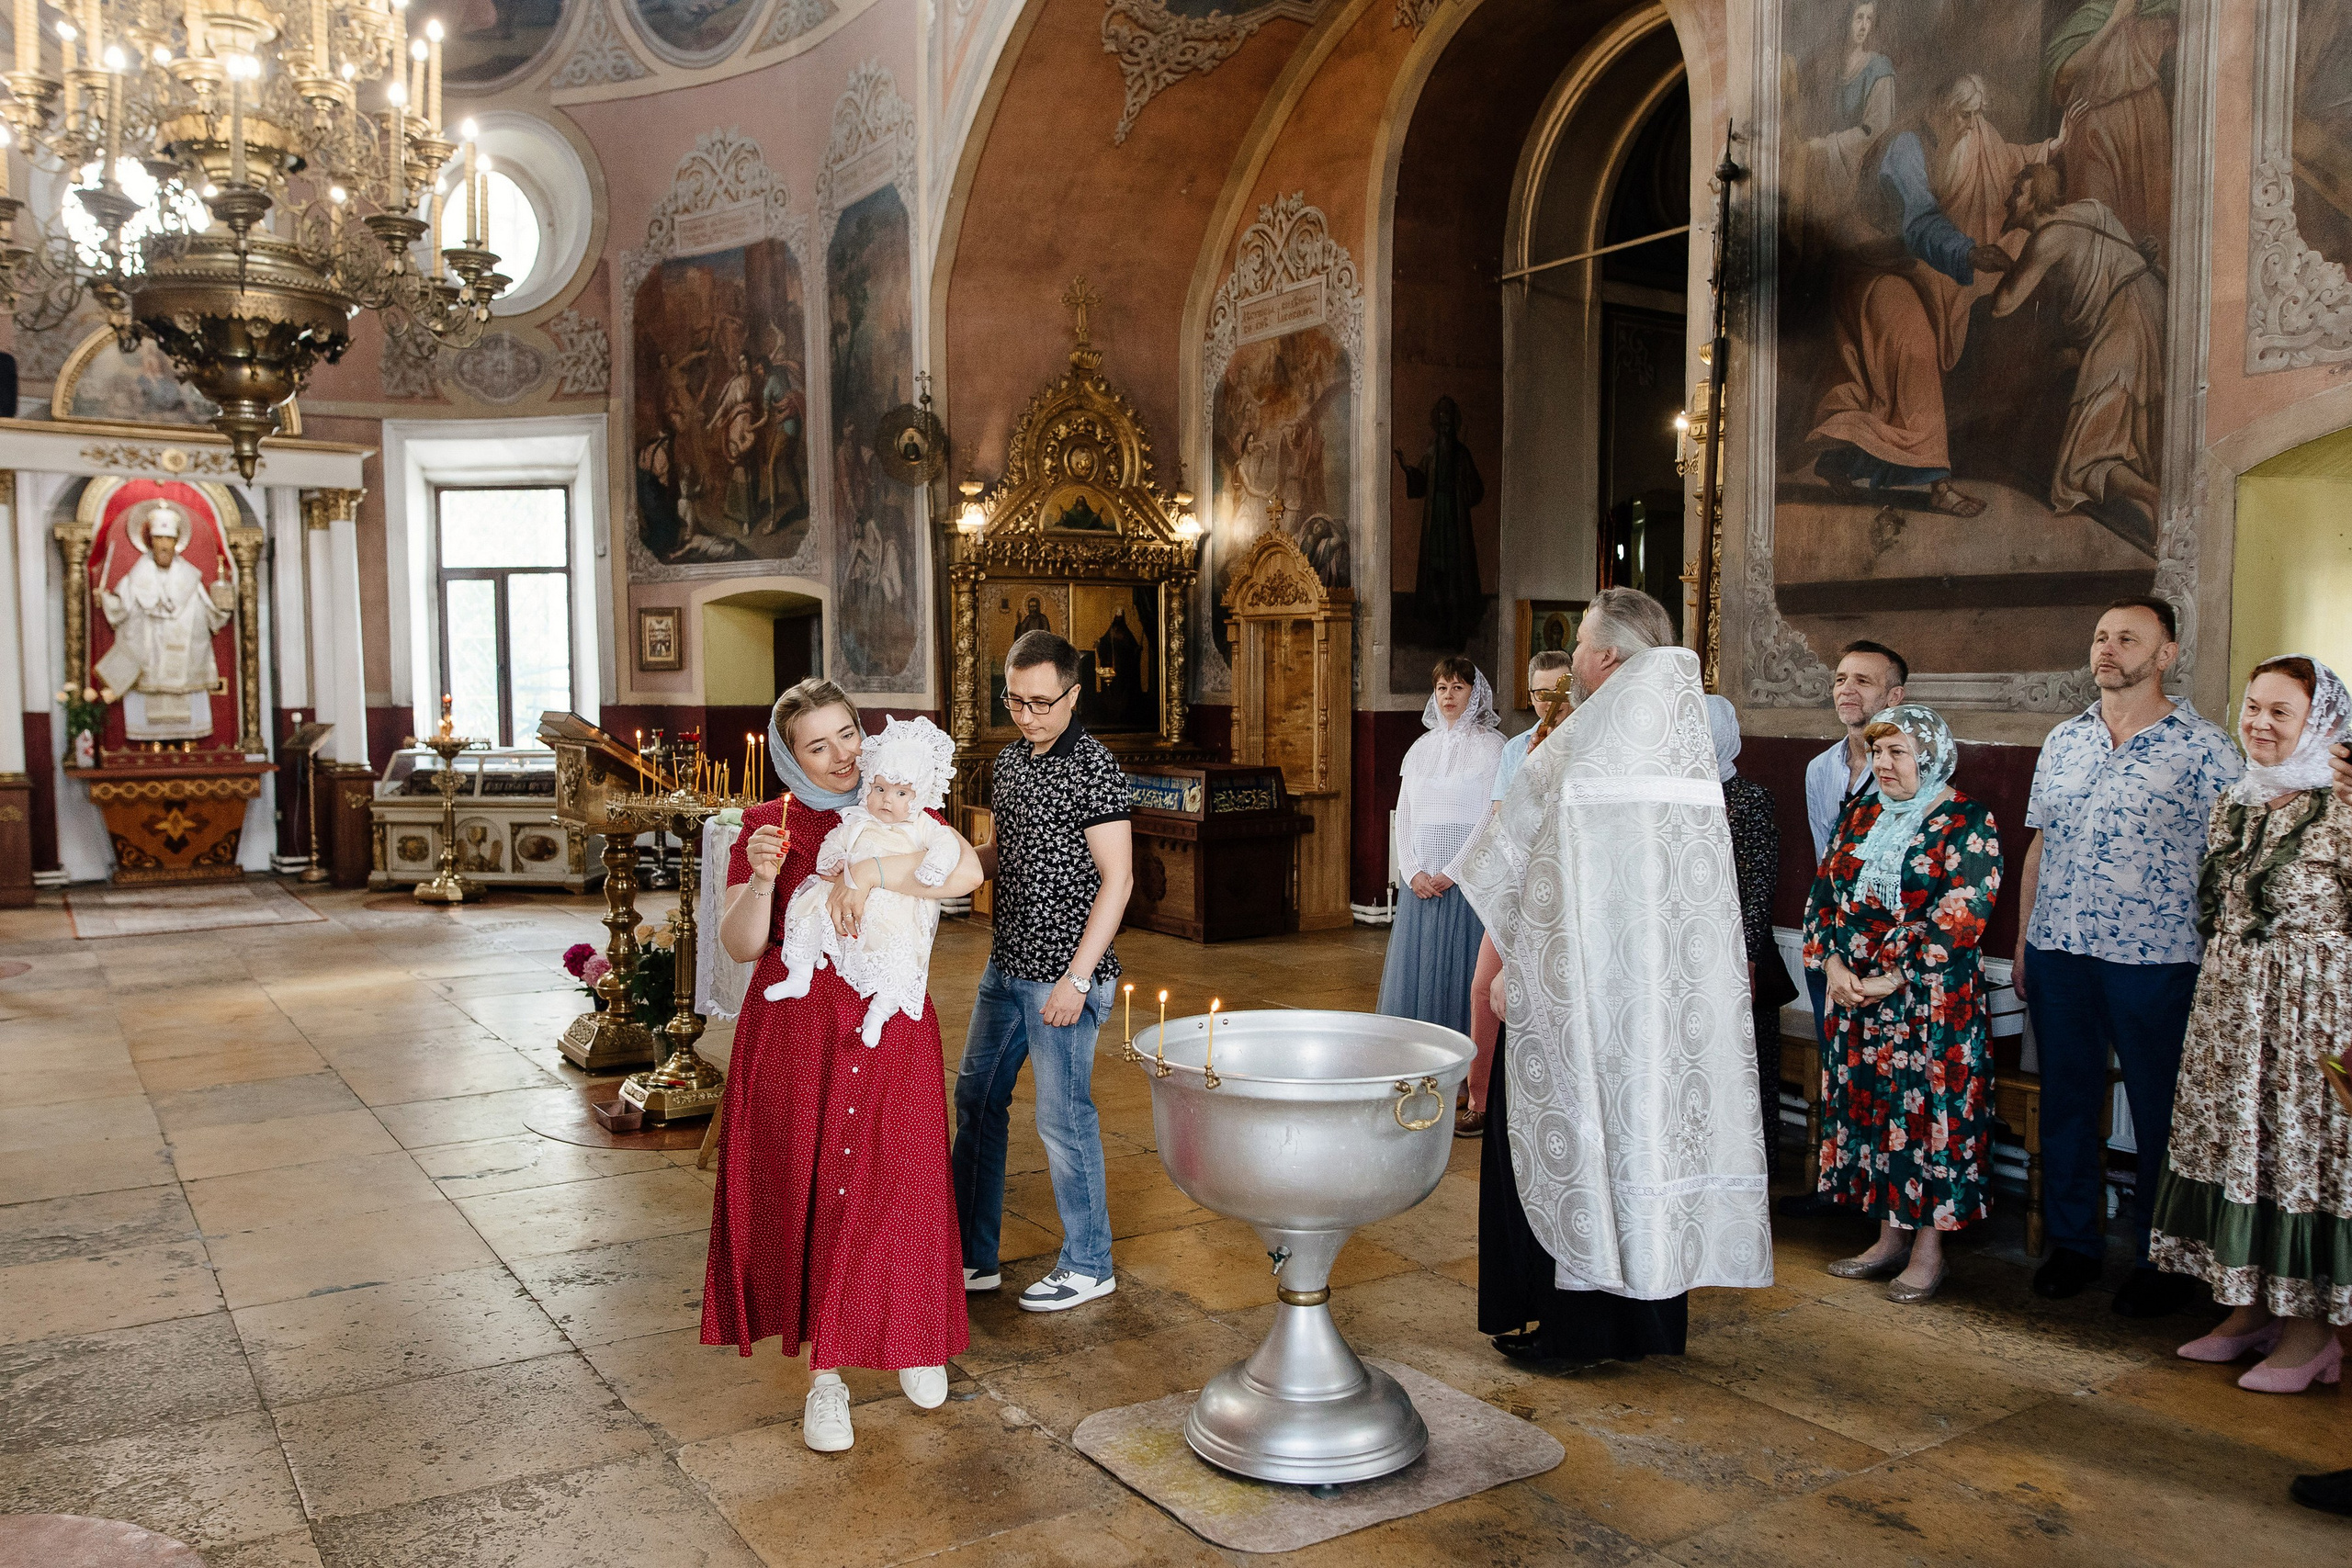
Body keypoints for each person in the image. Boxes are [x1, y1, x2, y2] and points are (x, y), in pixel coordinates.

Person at [1459, 587, 1772, 1364]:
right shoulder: (1681, 745)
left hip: (1580, 994)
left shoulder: (1591, 743)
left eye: (1580, 646)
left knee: (1579, 1142)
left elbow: (1543, 868)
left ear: (1604, 655)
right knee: (1646, 1141)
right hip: (1661, 1001)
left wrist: (1520, 966)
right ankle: (1647, 1325)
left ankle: (1576, 1327)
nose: (1573, 661)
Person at [704, 679, 987, 1454]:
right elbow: (741, 944)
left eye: (847, 734)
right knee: (814, 1186)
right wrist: (764, 877)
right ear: (790, 756)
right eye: (816, 745)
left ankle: (914, 1336)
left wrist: (868, 874)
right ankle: (825, 1378)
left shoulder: (900, 797)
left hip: (890, 1020)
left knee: (904, 1174)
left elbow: (964, 871)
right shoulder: (767, 824)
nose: (840, 756)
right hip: (799, 1030)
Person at [2013, 599, 2241, 1313]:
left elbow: (2229, 862)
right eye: (2101, 637)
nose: (2107, 649)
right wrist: (2023, 941)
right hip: (2060, 952)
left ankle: (2160, 1257)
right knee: (2067, 1103)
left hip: (2158, 960)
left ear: (2165, 654)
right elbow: (2041, 844)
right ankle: (2074, 1245)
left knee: (2159, 1112)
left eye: (2127, 639)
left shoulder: (2206, 749)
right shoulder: (2064, 739)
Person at [2148, 656, 2352, 1393]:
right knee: (2243, 1151)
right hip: (2233, 1009)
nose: (2260, 723)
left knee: (2298, 1162)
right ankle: (2251, 1310)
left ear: (2320, 724)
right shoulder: (2236, 800)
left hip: (2311, 1016)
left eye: (2281, 712)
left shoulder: (2344, 807)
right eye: (2253, 707)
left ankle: (2312, 1334)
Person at [953, 630, 1136, 1313]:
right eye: (1014, 701)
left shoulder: (1094, 767)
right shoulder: (1009, 762)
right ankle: (973, 1257)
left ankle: (1089, 1263)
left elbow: (1118, 880)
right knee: (976, 1098)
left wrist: (1077, 980)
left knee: (1063, 1117)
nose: (1027, 715)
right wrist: (947, 865)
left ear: (1073, 694)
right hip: (1007, 965)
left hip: (1063, 974)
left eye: (1041, 702)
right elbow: (1006, 851)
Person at [1805, 77, 2083, 515]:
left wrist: (2052, 148)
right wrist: (1968, 252)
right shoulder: (1905, 147)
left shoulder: (1961, 139)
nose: (1972, 125)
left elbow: (2007, 160)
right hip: (1869, 268)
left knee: (1910, 367)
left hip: (1907, 268)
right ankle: (1939, 485)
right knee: (1915, 345)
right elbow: (1919, 222)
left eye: (1976, 115)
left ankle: (1842, 460)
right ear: (1940, 107)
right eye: (1964, 115)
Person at [1804, 704, 2002, 1302]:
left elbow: (1963, 912)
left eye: (1898, 752)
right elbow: (1824, 896)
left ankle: (1928, 1252)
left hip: (1931, 1004)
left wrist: (1891, 978)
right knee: (1874, 1116)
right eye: (1877, 751)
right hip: (1856, 1000)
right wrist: (1833, 963)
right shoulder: (1861, 813)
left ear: (1932, 756)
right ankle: (1888, 1238)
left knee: (1927, 1121)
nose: (1883, 763)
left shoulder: (1966, 819)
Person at [1782, 641, 1907, 1218]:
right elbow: (1823, 861)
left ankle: (1887, 1204)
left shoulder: (1912, 766)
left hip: (1890, 952)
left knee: (1887, 1077)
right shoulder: (1821, 769)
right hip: (1832, 942)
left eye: (1863, 680)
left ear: (1894, 696)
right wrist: (1830, 947)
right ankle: (1839, 1191)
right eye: (1840, 678)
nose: (1847, 690)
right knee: (1840, 1069)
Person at [1988, 164, 2165, 547]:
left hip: (2121, 329)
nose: (2008, 201)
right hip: (2154, 312)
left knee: (2081, 463)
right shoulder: (2094, 210)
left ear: (2036, 197)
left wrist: (2005, 265)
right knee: (2143, 429)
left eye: (2018, 192)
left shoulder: (2045, 240)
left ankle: (2153, 497)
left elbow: (2002, 305)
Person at [769, 717, 965, 1048]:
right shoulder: (857, 818)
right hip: (843, 895)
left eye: (901, 793)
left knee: (897, 954)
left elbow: (948, 846)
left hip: (895, 903)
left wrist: (934, 866)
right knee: (805, 906)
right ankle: (799, 972)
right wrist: (832, 859)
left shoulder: (922, 823)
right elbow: (834, 841)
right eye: (879, 789)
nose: (887, 800)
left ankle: (880, 1011)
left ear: (918, 795)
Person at [1460, 649, 1574, 1137]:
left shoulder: (1587, 741)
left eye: (1558, 691)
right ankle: (1480, 1100)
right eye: (1540, 693)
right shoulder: (1516, 750)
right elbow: (1504, 819)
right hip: (1518, 888)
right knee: (1484, 987)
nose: (1549, 703)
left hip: (1565, 890)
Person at [1377, 656, 1505, 1042]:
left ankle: (1462, 1059)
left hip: (1465, 881)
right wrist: (1411, 869)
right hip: (1421, 883)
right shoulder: (1420, 747)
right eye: (1441, 688)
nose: (1448, 696)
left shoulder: (1493, 747)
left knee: (1460, 969)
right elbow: (1405, 813)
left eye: (1458, 688)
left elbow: (1489, 816)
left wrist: (1454, 871)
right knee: (1419, 970)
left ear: (1474, 694)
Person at [1713, 694, 1796, 1181]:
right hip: (1692, 952)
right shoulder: (1676, 793)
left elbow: (1758, 884)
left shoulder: (1747, 798)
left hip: (1739, 953)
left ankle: (1751, 1175)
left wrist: (1743, 958)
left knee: (1746, 1063)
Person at [96, 502, 233, 740]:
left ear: (176, 542)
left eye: (168, 539)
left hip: (184, 663)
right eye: (158, 538)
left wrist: (223, 604)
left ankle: (187, 740)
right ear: (150, 541)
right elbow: (120, 609)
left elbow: (211, 614)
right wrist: (105, 600)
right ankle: (148, 741)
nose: (163, 545)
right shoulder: (136, 577)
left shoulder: (190, 577)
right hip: (148, 661)